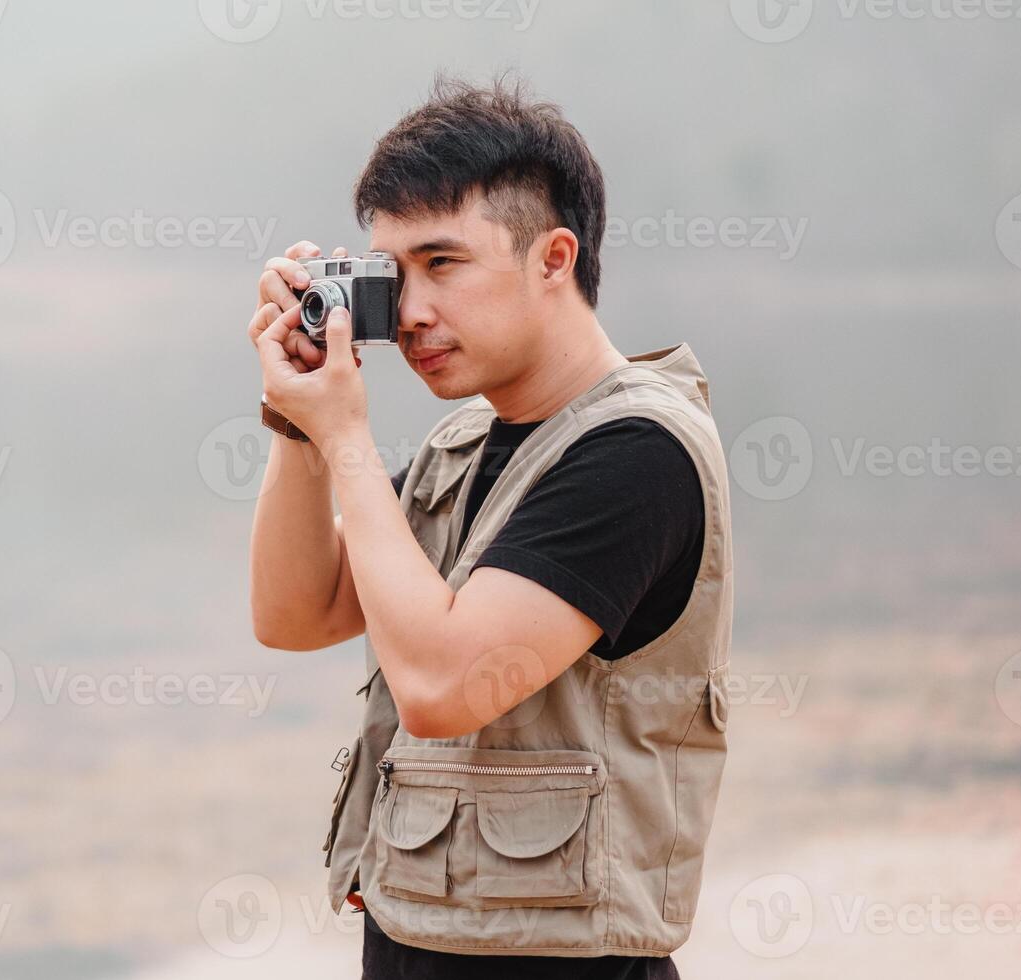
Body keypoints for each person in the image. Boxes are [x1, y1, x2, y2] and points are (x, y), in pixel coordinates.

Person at [246, 75, 734, 979]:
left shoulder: (637, 452)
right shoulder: (463, 446)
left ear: (554, 257)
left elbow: (444, 684)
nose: (414, 311)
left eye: (443, 263)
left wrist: (347, 433)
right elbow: (292, 612)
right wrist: (299, 426)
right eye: (394, 274)